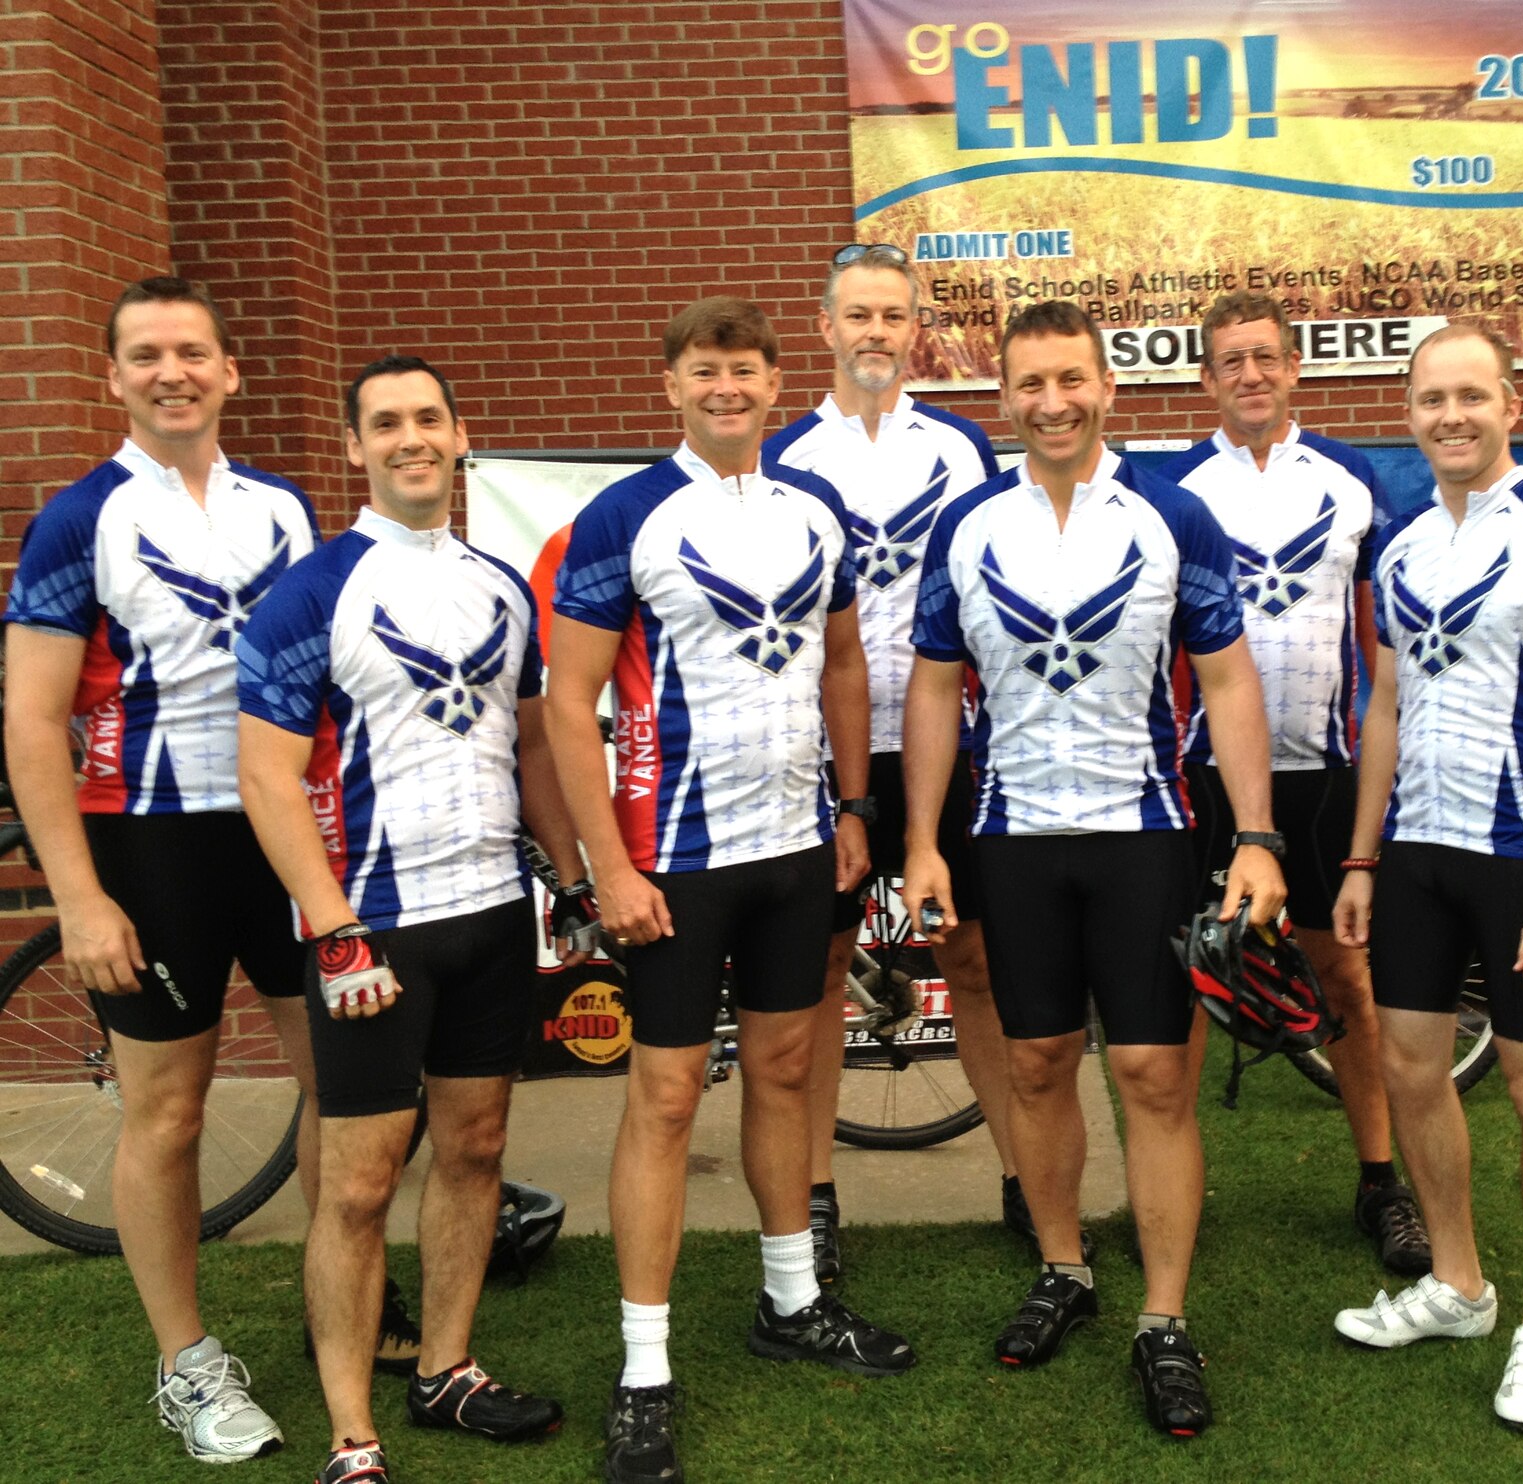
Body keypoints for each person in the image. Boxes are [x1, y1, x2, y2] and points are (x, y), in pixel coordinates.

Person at [545, 297, 915, 1484]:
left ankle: (791, 1299)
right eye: (705, 370)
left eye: (745, 370)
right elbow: (565, 703)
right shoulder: (623, 514)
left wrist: (852, 809)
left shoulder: (814, 509)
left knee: (787, 1069)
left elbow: (845, 662)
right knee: (662, 1100)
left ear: (772, 383)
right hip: (671, 860)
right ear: (671, 385)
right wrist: (607, 865)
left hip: (795, 848)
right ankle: (643, 1367)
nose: (726, 388)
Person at [902, 299, 1285, 1440]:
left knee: (1153, 1074)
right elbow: (933, 686)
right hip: (1012, 836)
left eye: (1072, 379)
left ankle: (1164, 1318)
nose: (1053, 402)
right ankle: (1063, 1266)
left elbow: (1228, 678)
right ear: (1004, 397)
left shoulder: (1173, 515)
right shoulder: (966, 523)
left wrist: (1257, 835)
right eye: (1030, 383)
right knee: (1034, 1064)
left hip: (1144, 830)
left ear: (1107, 388)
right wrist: (921, 841)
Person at [237, 355, 587, 1484]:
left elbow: (532, 748)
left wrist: (571, 876)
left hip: (491, 912)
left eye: (428, 418)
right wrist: (332, 928)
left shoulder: (501, 586)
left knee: (476, 1149)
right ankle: (353, 1436)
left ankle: (446, 1368)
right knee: (357, 1183)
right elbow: (265, 777)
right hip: (373, 928)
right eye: (385, 423)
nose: (410, 439)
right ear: (354, 447)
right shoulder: (311, 592)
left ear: (459, 434)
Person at [3, 276, 323, 1462]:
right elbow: (31, 719)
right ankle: (187, 1360)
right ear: (114, 377)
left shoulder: (285, 506)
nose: (171, 371)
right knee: (171, 1109)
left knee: (338, 1085)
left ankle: (339, 1295)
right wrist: (78, 895)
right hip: (149, 843)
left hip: (285, 831)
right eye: (145, 354)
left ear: (230, 370)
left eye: (191, 350)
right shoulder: (77, 518)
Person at [1331, 323, 1523, 1430]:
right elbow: (1384, 704)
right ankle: (1458, 1286)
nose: (1450, 416)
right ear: (1409, 413)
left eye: (1471, 395)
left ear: (1509, 402)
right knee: (1411, 1068)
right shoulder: (1401, 543)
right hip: (1418, 851)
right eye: (1430, 399)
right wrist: (1362, 857)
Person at [761, 243, 1030, 1280]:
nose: (874, 332)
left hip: (941, 743)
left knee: (975, 964)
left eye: (892, 316)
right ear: (824, 326)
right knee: (822, 977)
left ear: (916, 328)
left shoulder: (961, 448)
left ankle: (1025, 1175)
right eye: (857, 315)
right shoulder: (783, 454)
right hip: (822, 753)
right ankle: (814, 1197)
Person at [1158, 290, 1431, 1277]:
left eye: (1265, 356)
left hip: (1320, 772)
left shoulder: (1351, 478)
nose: (1251, 375)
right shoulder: (1175, 488)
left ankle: (1379, 1180)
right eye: (1231, 360)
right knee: (1190, 980)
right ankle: (1169, 1183)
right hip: (1202, 773)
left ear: (1293, 367)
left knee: (1344, 975)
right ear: (1207, 378)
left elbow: (1381, 637)